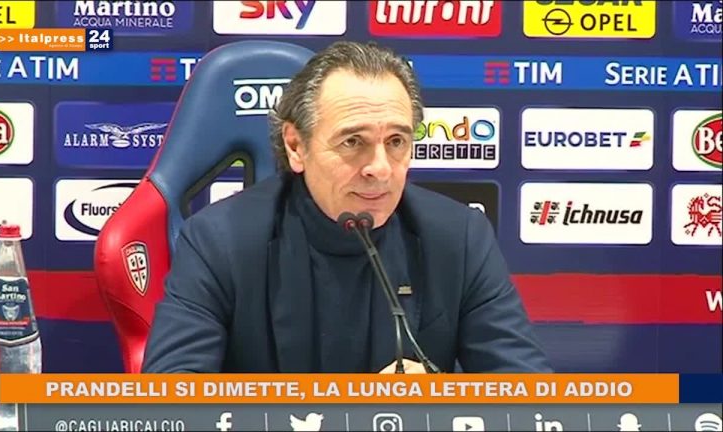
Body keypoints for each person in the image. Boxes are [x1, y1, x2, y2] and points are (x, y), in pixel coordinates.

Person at [141, 41, 552, 374]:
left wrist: (437, 401)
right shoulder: (219, 241)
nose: (380, 168)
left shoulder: (459, 238)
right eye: (353, 142)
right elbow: (172, 400)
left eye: (396, 142)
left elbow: (527, 394)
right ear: (296, 146)